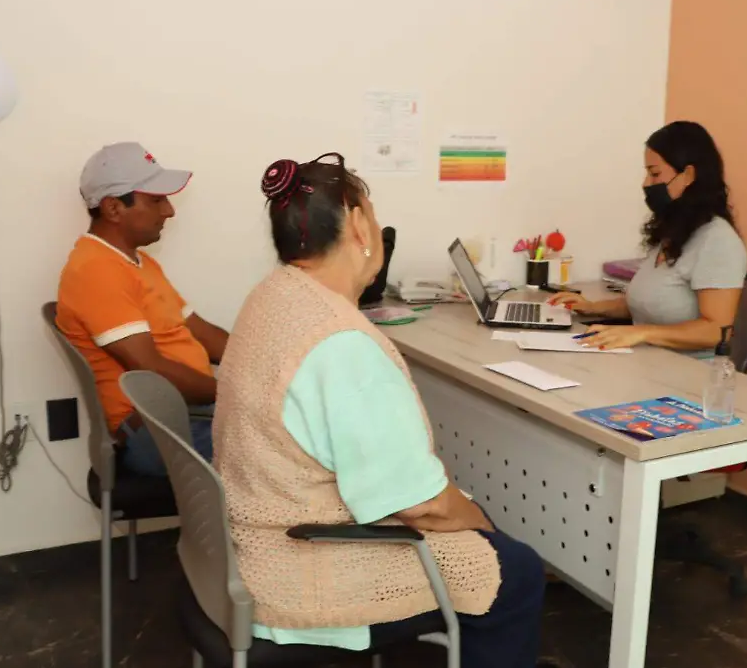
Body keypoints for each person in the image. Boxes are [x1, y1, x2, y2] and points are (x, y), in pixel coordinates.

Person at [213, 154, 551, 668]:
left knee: (477, 529)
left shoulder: (270, 297)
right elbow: (424, 507)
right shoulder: (342, 344)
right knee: (516, 570)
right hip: (299, 572)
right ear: (357, 224)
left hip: (248, 543)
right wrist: (483, 525)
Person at [55, 142, 229, 476]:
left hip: (184, 414)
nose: (169, 211)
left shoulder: (138, 263)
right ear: (113, 208)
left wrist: (266, 365)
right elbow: (152, 371)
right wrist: (237, 393)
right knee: (289, 449)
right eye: (156, 200)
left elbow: (202, 333)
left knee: (295, 430)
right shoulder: (95, 270)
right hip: (156, 429)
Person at [550, 121, 747, 355]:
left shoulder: (718, 241)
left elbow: (716, 331)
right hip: (645, 360)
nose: (646, 184)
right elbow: (646, 304)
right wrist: (591, 307)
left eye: (654, 174)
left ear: (688, 175)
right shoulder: (675, 232)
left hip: (688, 371)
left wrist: (642, 333)